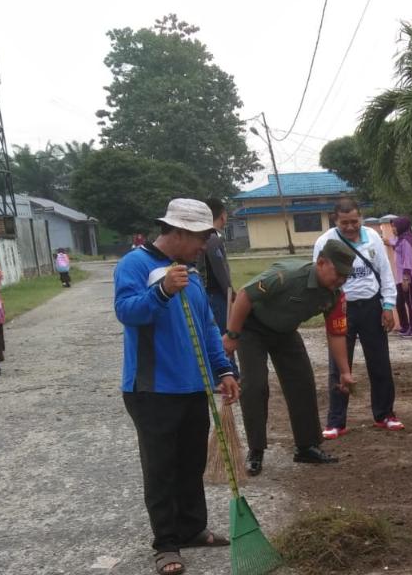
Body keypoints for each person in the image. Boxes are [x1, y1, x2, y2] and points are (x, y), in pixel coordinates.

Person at [113, 198, 241, 575]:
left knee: (191, 463)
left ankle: (192, 528)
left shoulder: (191, 272)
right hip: (151, 388)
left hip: (192, 385)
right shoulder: (135, 264)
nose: (205, 246)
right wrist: (162, 291)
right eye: (201, 237)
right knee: (161, 468)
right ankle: (166, 544)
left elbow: (207, 326)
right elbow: (127, 311)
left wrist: (223, 369)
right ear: (180, 232)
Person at [223, 240, 356, 475]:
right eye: (338, 274)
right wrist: (233, 335)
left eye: (346, 276)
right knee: (255, 386)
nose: (341, 281)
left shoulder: (335, 295)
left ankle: (306, 446)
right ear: (322, 263)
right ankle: (256, 451)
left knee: (302, 382)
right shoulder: (288, 276)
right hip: (253, 328)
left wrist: (345, 372)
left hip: (285, 332)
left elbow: (336, 334)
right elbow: (244, 295)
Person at [311, 198, 404, 439]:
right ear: (335, 221)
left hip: (372, 306)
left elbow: (385, 271)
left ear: (360, 217)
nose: (350, 227)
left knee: (380, 362)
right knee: (339, 366)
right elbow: (319, 275)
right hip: (340, 309)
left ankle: (385, 415)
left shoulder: (373, 237)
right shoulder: (325, 241)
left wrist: (388, 305)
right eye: (345, 223)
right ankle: (336, 421)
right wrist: (327, 307)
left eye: (354, 221)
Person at [199, 198, 234, 333]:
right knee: (222, 333)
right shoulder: (212, 237)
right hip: (214, 294)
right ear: (223, 215)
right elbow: (220, 269)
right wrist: (230, 293)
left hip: (208, 293)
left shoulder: (204, 235)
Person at [391, 216, 412, 338]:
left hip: (409, 276)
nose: (393, 229)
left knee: (410, 303)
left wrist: (406, 278)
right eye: (392, 227)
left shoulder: (406, 241)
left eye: (394, 226)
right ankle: (405, 326)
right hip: (401, 277)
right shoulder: (401, 239)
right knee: (399, 302)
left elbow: (408, 259)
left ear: (401, 227)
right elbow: (394, 244)